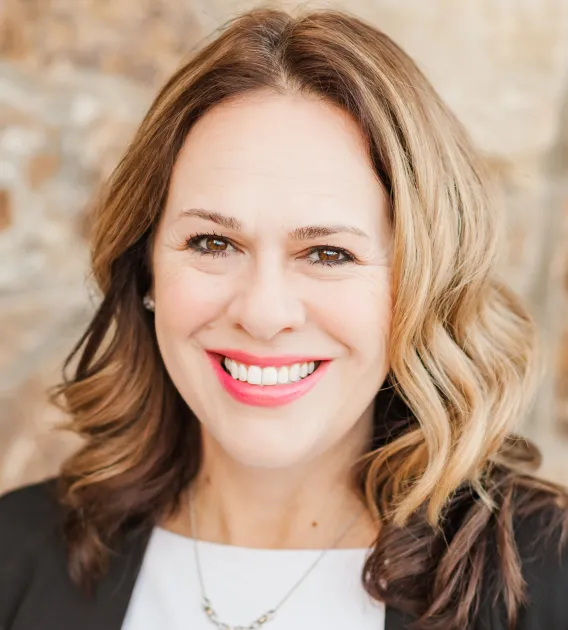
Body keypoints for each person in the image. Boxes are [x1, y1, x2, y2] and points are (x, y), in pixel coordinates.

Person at [1, 7, 567, 630]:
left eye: (328, 253)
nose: (263, 313)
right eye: (213, 243)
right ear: (146, 269)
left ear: (422, 284)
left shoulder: (548, 576)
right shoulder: (16, 553)